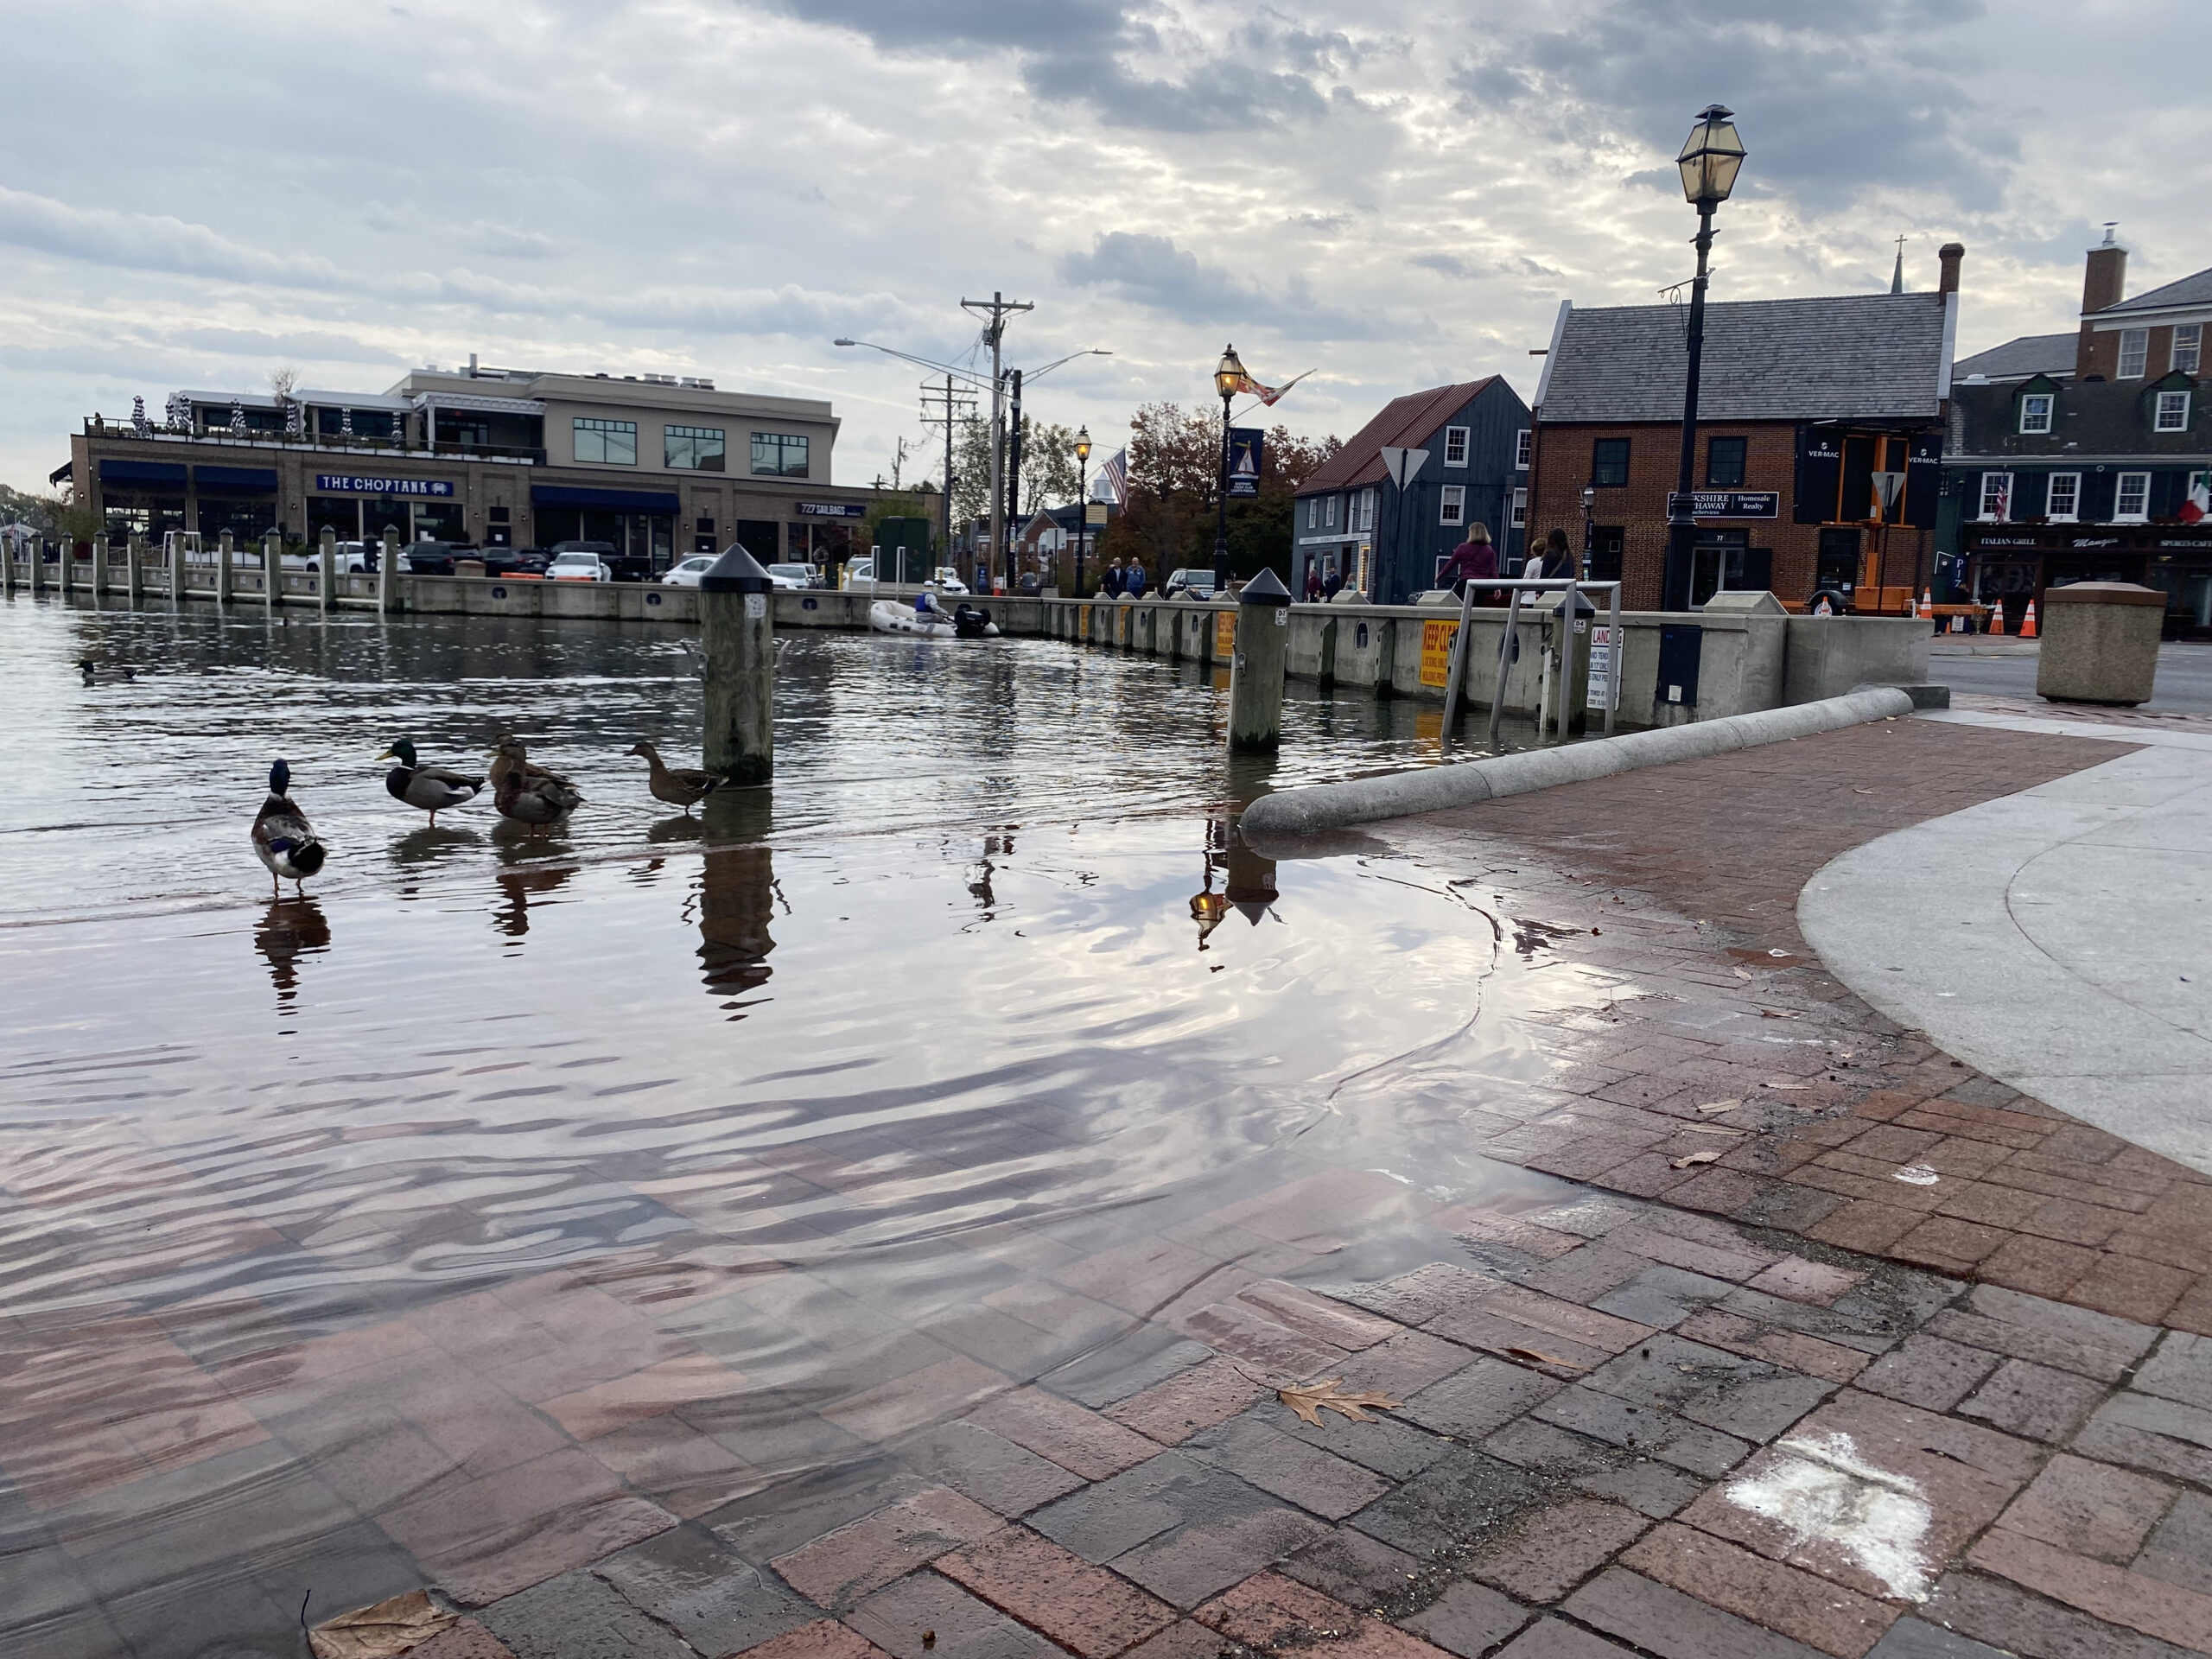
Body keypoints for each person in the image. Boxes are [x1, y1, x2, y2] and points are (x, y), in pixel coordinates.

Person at [1438, 523, 1497, 597]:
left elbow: (1451, 564)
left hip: (1466, 583)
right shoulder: (1489, 550)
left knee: (1463, 606)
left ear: (1471, 533)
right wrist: (1497, 587)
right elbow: (1493, 570)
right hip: (1482, 585)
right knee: (1477, 607)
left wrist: (1440, 575)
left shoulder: (1462, 547)